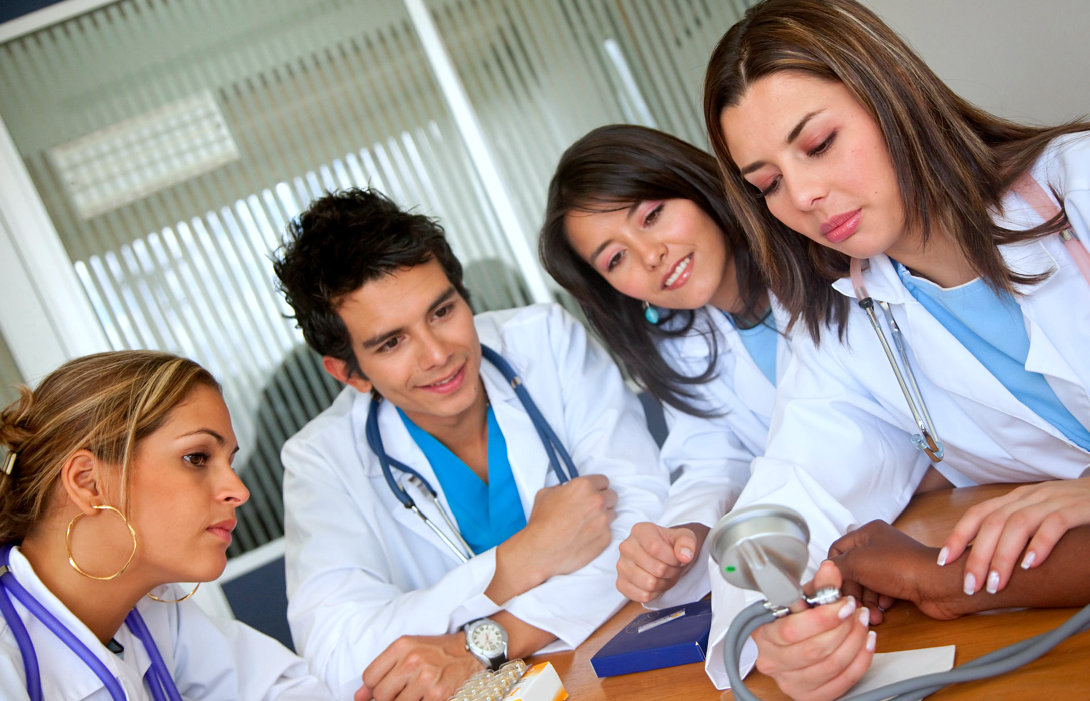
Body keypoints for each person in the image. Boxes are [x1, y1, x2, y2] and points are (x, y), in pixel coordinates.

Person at [700, 0, 1090, 697]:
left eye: (817, 144)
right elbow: (792, 491)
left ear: (891, 95)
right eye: (769, 184)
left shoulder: (1079, 184)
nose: (807, 195)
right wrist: (765, 628)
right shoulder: (844, 321)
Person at [272, 188, 667, 700]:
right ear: (348, 373)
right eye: (392, 342)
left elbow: (644, 528)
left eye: (441, 312)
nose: (438, 354)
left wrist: (482, 644)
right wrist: (519, 560)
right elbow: (338, 652)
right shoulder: (322, 460)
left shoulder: (545, 342)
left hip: (624, 666)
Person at [539, 124, 792, 607]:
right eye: (616, 259)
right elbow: (713, 457)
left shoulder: (815, 259)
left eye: (652, 216)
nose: (650, 256)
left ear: (692, 186)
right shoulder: (679, 342)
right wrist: (681, 536)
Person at [0, 351, 332, 700]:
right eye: (197, 458)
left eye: (229, 462)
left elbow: (286, 690)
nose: (239, 490)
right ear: (88, 483)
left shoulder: (151, 608)